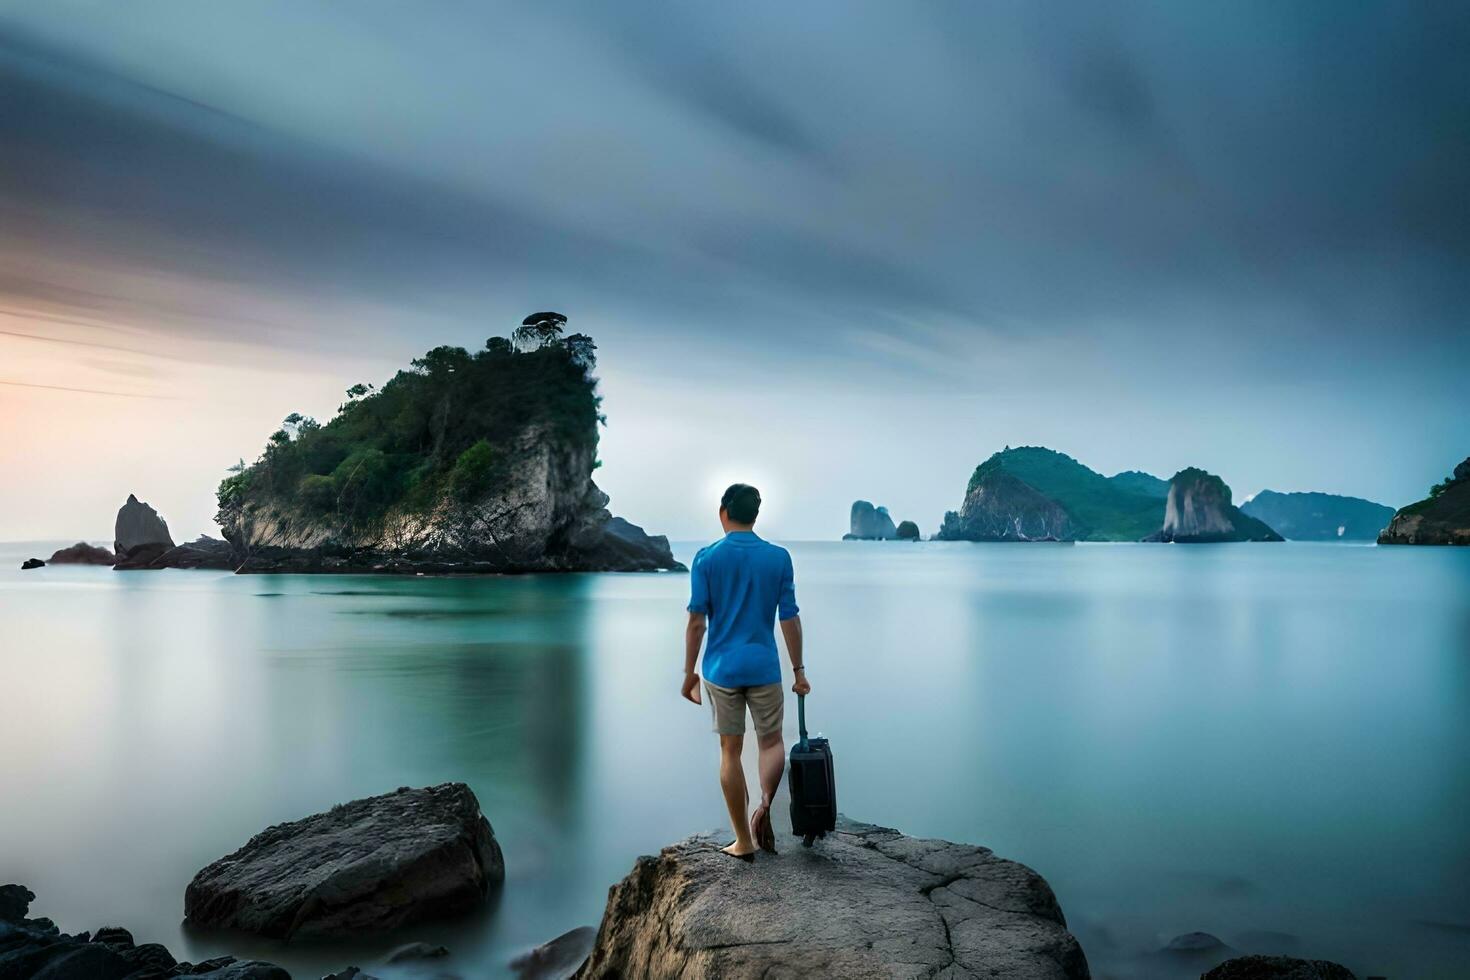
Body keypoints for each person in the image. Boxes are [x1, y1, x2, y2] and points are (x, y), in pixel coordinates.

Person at [682, 483, 808, 861]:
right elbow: (790, 618)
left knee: (730, 751)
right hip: (765, 666)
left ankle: (743, 840)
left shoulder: (706, 559)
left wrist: (688, 673)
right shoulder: (778, 558)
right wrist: (798, 670)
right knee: (771, 742)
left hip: (721, 670)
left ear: (723, 512)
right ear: (756, 515)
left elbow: (696, 624)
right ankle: (766, 804)